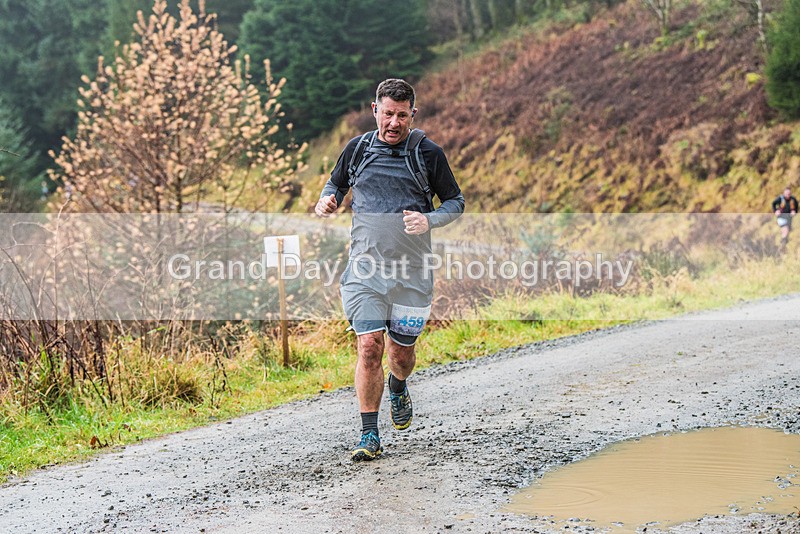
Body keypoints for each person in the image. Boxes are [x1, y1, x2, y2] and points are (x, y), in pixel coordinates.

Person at [315, 78, 465, 461]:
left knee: (400, 354)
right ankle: (369, 435)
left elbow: (455, 202)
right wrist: (327, 200)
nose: (394, 123)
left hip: (412, 272)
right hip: (365, 271)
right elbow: (335, 184)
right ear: (374, 111)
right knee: (369, 347)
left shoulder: (428, 153)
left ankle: (398, 386)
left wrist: (429, 220)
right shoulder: (358, 149)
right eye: (387, 114)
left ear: (412, 114)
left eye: (402, 115)